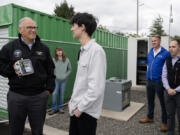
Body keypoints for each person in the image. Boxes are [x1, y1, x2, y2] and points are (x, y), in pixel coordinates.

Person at [0, 17, 55, 135]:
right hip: (16, 97)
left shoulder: (43, 49)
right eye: (29, 27)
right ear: (20, 30)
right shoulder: (10, 48)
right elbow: (1, 68)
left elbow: (51, 71)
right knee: (15, 130)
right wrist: (12, 68)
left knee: (37, 130)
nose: (33, 30)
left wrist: (48, 90)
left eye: (34, 27)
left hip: (38, 97)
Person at [68, 12, 107, 135]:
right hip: (77, 108)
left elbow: (96, 88)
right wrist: (73, 101)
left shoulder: (96, 51)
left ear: (82, 27)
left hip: (86, 112)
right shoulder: (82, 51)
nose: (71, 28)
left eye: (74, 25)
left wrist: (80, 108)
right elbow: (81, 81)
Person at [139, 35, 171, 132]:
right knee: (150, 101)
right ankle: (150, 117)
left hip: (159, 82)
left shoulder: (166, 53)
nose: (153, 42)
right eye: (152, 41)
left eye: (155, 41)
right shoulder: (150, 52)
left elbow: (169, 69)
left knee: (163, 103)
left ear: (159, 41)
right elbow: (150, 65)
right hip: (149, 81)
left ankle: (165, 123)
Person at [162, 39, 180, 135]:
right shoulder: (167, 60)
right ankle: (170, 132)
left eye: (173, 47)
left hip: (179, 93)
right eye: (170, 47)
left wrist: (176, 90)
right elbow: (164, 76)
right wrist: (168, 88)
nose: (171, 49)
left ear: (179, 48)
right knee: (170, 114)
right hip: (168, 92)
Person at [48, 47, 72, 115]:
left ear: (62, 52)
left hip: (63, 81)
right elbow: (50, 69)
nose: (59, 52)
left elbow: (70, 69)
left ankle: (60, 108)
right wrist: (54, 75)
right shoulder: (53, 60)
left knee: (61, 95)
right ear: (56, 52)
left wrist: (65, 75)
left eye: (60, 51)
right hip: (56, 80)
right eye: (57, 51)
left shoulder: (66, 60)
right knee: (54, 94)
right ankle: (54, 109)